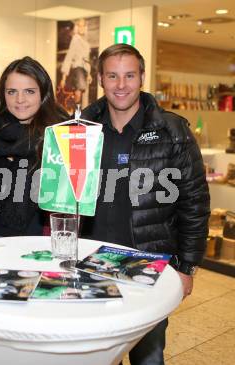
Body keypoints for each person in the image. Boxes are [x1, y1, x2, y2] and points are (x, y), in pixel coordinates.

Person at [80, 43, 210, 365]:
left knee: (148, 358)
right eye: (112, 76)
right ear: (100, 78)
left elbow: (194, 202)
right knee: (96, 357)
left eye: (129, 75)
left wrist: (187, 267)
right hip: (91, 265)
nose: (121, 85)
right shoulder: (82, 129)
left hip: (149, 267)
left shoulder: (172, 130)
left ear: (142, 77)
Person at [0, 56, 68, 239]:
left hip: (44, 239)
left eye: (29, 91)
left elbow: (71, 198)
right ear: (3, 94)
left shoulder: (62, 134)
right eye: (12, 92)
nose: (19, 99)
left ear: (43, 93)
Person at [59, 18, 92, 109]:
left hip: (84, 69)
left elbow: (87, 60)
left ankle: (79, 115)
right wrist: (64, 77)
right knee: (78, 93)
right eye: (79, 26)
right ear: (77, 27)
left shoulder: (85, 41)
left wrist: (89, 74)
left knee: (82, 93)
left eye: (83, 26)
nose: (81, 28)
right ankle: (76, 115)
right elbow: (69, 56)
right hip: (78, 68)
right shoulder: (75, 39)